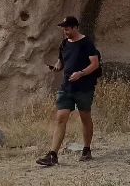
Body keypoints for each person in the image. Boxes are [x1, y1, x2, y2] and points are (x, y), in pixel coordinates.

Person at [36, 15, 100, 166]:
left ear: (75, 27)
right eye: (64, 28)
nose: (65, 31)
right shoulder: (64, 43)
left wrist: (81, 73)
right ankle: (52, 155)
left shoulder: (86, 43)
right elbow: (61, 62)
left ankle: (86, 149)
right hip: (66, 87)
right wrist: (56, 68)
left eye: (67, 28)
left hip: (84, 87)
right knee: (60, 117)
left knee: (85, 117)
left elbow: (95, 63)